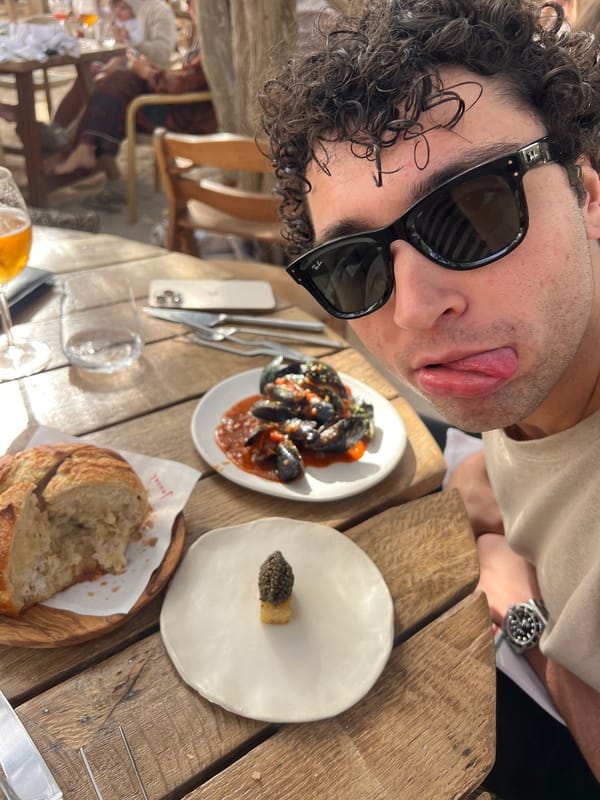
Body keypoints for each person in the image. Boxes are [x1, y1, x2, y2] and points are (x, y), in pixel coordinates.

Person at [259, 1, 600, 797]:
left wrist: (521, 604)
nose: (414, 310)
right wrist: (488, 482)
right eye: (355, 264)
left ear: (587, 193)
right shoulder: (529, 360)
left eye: (477, 211)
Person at [52, 0, 215, 177]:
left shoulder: (215, 40)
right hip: (178, 102)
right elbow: (187, 78)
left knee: (117, 85)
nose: (189, 7)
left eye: (192, 2)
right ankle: (69, 144)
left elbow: (184, 79)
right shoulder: (207, 35)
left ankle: (74, 147)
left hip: (187, 116)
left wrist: (148, 73)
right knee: (111, 80)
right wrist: (138, 68)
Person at [51, 0, 176, 129]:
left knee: (101, 81)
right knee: (88, 74)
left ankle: (73, 135)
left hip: (149, 80)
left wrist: (131, 42)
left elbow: (162, 53)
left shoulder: (159, 10)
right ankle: (56, 129)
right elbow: (117, 48)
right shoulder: (123, 6)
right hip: (125, 69)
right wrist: (107, 66)